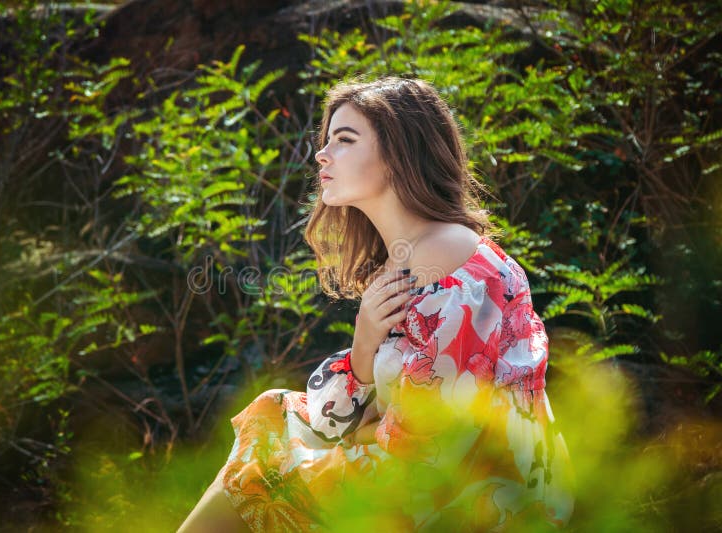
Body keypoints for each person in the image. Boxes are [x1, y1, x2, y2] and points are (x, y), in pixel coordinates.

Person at [177, 77, 574, 532]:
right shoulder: (404, 260)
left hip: (481, 503)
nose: (323, 155)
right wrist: (364, 344)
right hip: (427, 479)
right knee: (270, 421)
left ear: (399, 154)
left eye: (345, 140)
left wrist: (368, 427)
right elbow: (358, 417)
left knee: (261, 468)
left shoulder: (454, 265)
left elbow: (430, 447)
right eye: (326, 141)